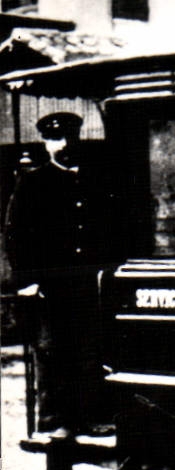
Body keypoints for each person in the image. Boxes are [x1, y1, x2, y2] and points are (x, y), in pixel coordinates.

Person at [6, 112, 119, 436]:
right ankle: (55, 422)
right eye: (56, 138)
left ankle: (91, 417)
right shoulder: (32, 183)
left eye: (70, 137)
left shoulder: (94, 180)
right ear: (45, 143)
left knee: (89, 350)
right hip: (50, 285)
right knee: (52, 351)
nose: (64, 144)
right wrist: (27, 281)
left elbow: (109, 229)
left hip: (88, 283)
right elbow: (16, 235)